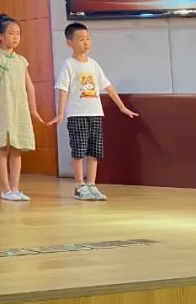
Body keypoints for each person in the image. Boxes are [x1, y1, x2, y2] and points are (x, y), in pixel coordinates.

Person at [49, 22, 139, 201]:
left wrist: (121, 106)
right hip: (77, 115)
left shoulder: (94, 65)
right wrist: (60, 112)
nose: (86, 42)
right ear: (69, 42)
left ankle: (91, 184)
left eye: (88, 38)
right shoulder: (68, 65)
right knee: (78, 151)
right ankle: (79, 186)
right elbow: (63, 89)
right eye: (81, 39)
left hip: (95, 114)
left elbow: (108, 86)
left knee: (94, 152)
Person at [0, 13, 46, 202]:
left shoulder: (22, 61)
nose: (15, 37)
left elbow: (30, 86)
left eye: (18, 33)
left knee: (17, 148)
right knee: (3, 147)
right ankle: (5, 190)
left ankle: (15, 188)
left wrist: (33, 109)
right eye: (11, 33)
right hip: (4, 107)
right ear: (0, 35)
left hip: (20, 108)